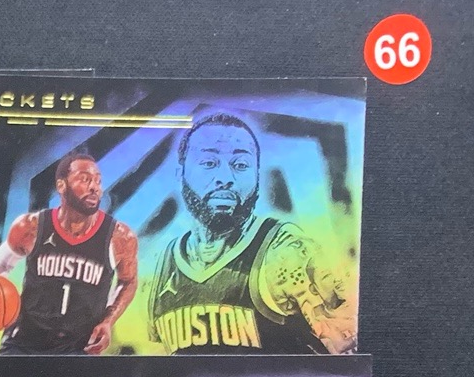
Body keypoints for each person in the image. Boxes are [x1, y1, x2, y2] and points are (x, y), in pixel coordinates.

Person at [145, 112, 356, 354]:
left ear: (256, 175)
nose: (225, 178)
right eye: (209, 163)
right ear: (179, 174)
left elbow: (347, 355)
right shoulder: (164, 262)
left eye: (241, 165)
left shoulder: (288, 252)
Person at [0, 148, 139, 355]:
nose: (94, 187)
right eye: (85, 179)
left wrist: (109, 320)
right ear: (61, 185)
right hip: (23, 343)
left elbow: (128, 281)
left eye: (98, 181)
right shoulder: (31, 227)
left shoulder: (120, 237)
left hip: (79, 347)